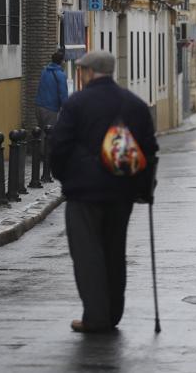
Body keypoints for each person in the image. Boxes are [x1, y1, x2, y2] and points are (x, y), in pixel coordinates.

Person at [48, 50, 158, 334]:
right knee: (114, 251)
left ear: (88, 72)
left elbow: (59, 145)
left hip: (84, 193)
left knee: (87, 254)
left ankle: (96, 317)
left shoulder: (77, 103)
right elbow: (149, 149)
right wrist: (144, 188)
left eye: (81, 70)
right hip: (122, 192)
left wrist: (64, 177)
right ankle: (112, 313)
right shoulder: (135, 104)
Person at [35, 49, 69, 139]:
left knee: (41, 132)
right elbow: (63, 94)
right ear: (61, 62)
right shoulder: (60, 75)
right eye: (64, 60)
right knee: (49, 133)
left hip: (39, 106)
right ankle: (45, 148)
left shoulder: (44, 71)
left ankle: (39, 148)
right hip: (50, 108)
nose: (65, 62)